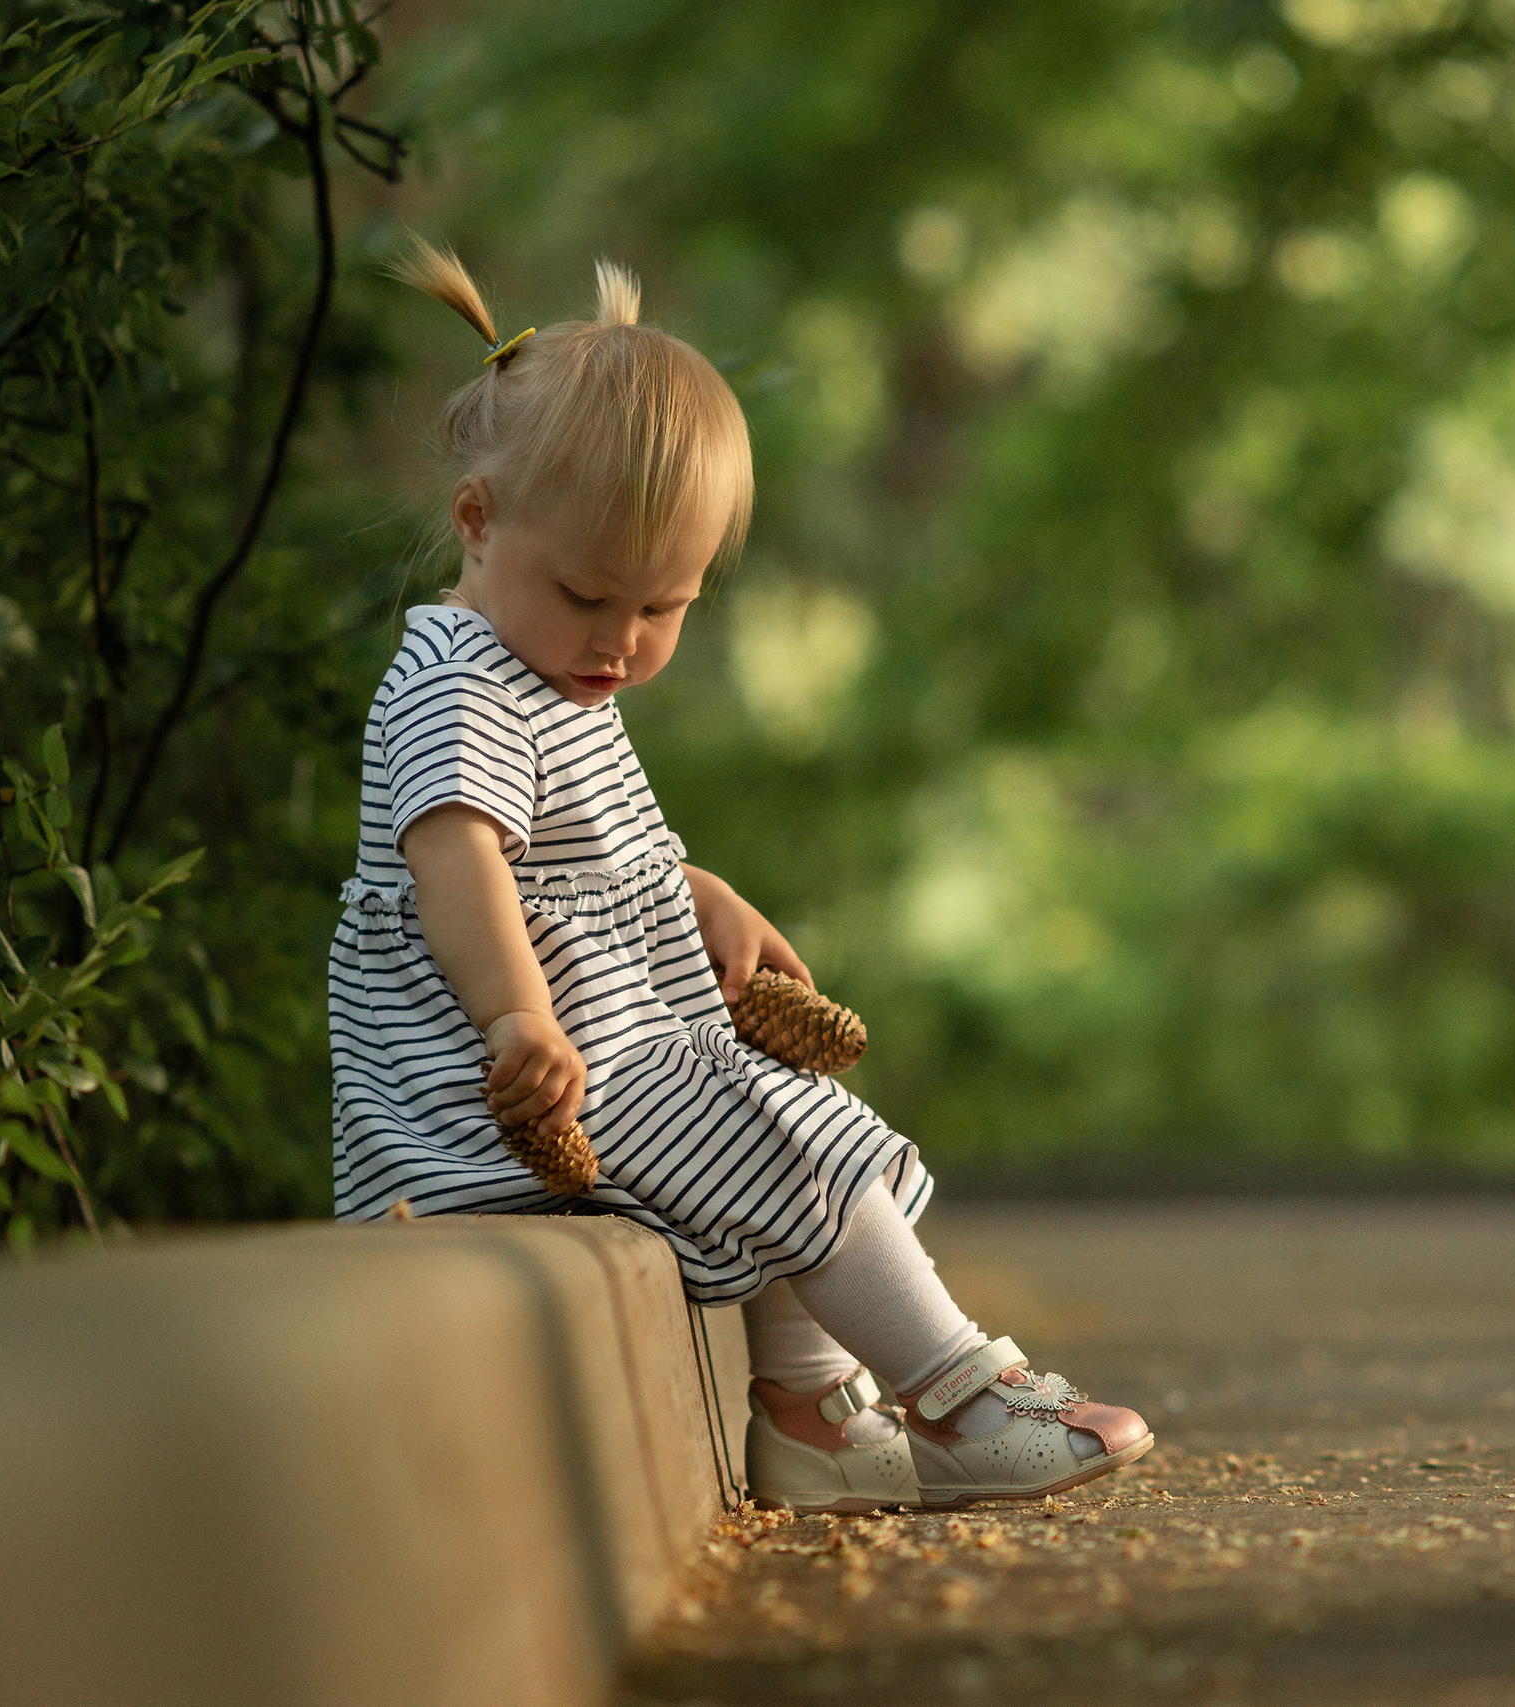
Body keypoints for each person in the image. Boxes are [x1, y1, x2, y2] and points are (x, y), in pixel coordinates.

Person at [328, 240, 1151, 1512]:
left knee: (752, 1113)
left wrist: (696, 895)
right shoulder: (457, 682)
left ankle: (813, 1419)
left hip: (606, 1048)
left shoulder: (544, 670)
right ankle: (960, 1394)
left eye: (667, 609)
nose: (622, 641)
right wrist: (514, 1016)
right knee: (787, 1133)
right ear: (478, 522)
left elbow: (574, 850)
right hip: (501, 1091)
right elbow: (458, 860)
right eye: (591, 596)